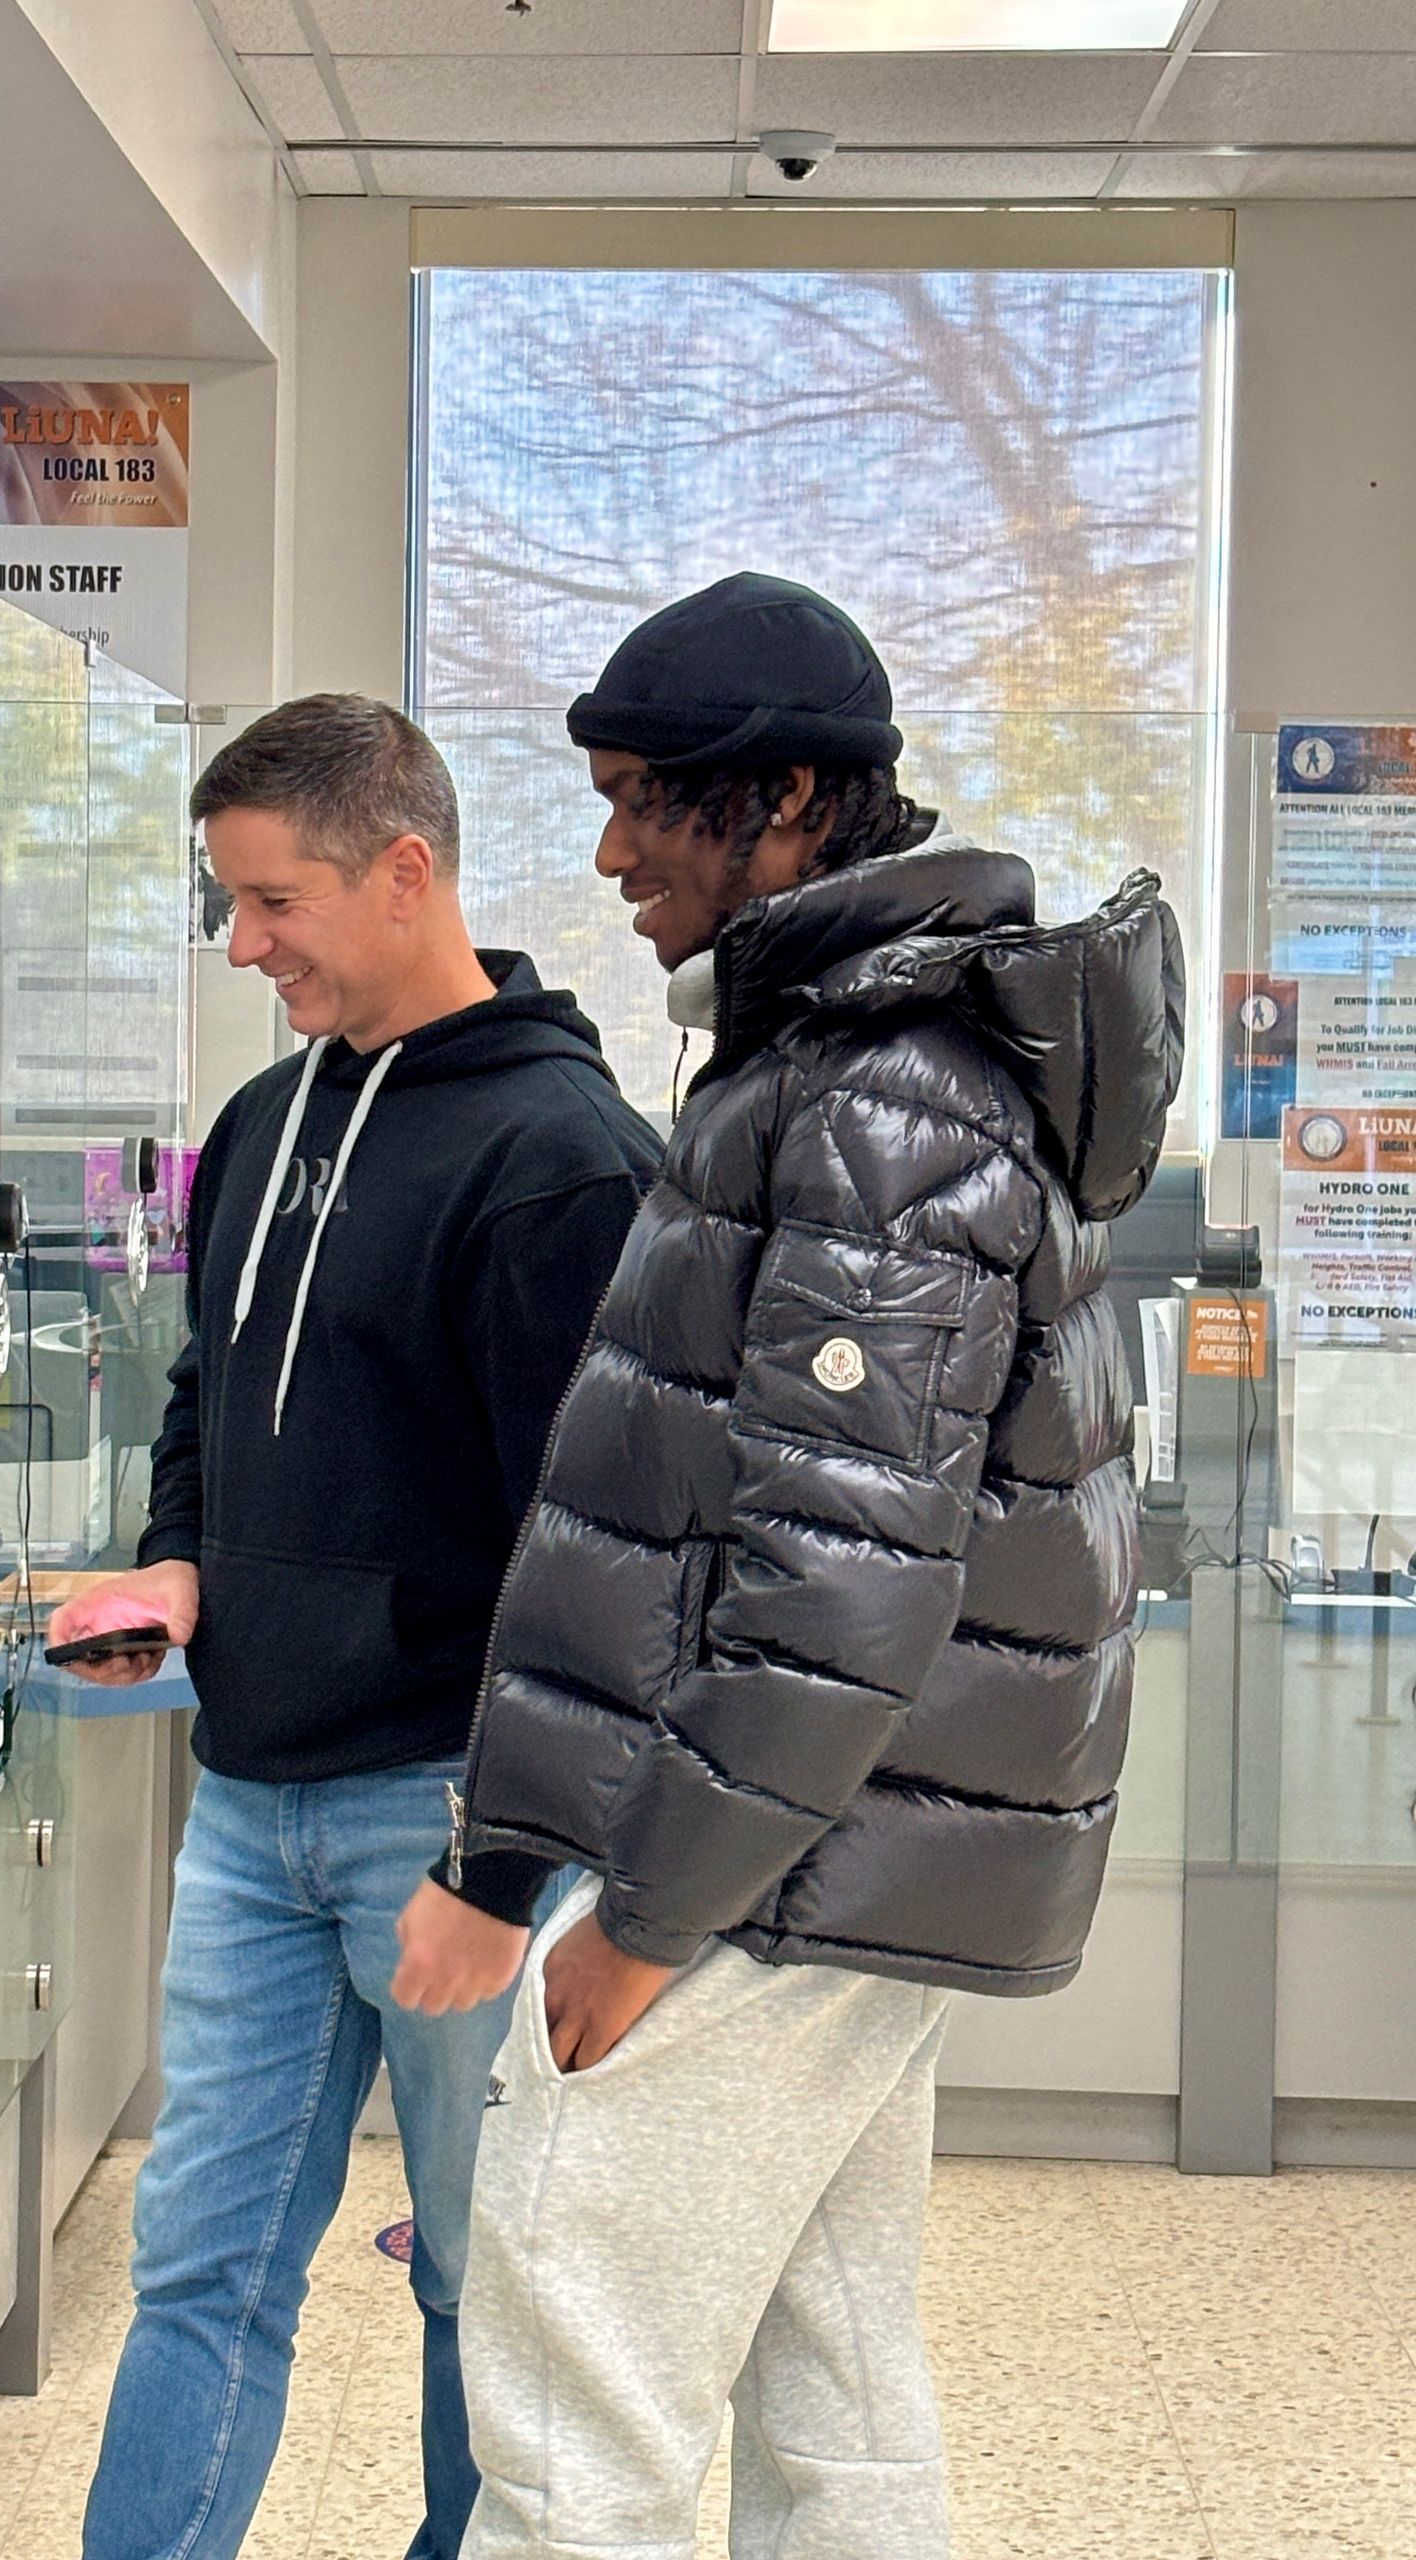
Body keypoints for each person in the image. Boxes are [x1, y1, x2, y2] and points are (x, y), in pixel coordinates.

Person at [392, 573, 1184, 2558]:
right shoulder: (844, 1062)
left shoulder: (888, 1098)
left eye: (652, 795)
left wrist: (650, 1910)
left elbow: (844, 1579)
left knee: (579, 2404)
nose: (611, 843)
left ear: (796, 802)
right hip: (839, 1844)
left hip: (783, 1861)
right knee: (830, 2395)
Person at [51, 693, 662, 2560]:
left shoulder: (565, 1160)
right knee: (198, 2275)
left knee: (485, 2290)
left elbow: (605, 1553)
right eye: (226, 904)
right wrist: (178, 1565)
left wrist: (509, 1861)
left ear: (405, 872)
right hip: (246, 1806)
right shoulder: (259, 1123)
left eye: (269, 901)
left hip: (453, 1823)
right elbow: (205, 1406)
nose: (243, 945)